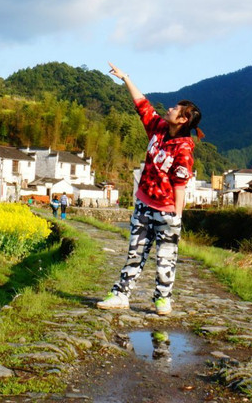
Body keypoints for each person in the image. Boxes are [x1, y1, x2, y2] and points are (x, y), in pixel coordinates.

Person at [97, 62, 202, 316]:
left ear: (184, 119)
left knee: (166, 257)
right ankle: (121, 295)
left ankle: (163, 300)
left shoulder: (184, 148)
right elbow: (142, 104)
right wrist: (125, 78)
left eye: (176, 108)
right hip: (144, 204)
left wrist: (177, 217)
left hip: (166, 211)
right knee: (136, 251)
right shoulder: (158, 128)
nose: (170, 108)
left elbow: (180, 185)